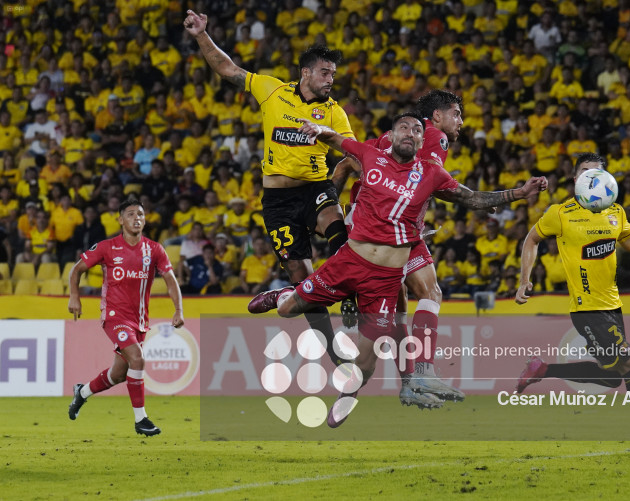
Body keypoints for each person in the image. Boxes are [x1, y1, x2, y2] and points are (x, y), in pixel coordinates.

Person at [249, 114, 546, 424]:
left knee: (365, 361)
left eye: (417, 130)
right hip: (349, 261)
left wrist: (519, 193)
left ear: (421, 141)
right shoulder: (370, 155)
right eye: (404, 127)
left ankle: (350, 394)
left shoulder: (431, 173)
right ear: (390, 135)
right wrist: (317, 128)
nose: (410, 133)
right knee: (287, 310)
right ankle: (286, 293)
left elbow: (470, 198)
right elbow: (336, 140)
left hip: (385, 279)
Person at [185, 10, 352, 367]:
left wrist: (326, 135)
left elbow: (352, 152)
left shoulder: (334, 112)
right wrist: (202, 35)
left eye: (333, 74)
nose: (330, 79)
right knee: (302, 279)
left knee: (340, 236)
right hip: (277, 199)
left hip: (316, 187)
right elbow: (228, 69)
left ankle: (351, 295)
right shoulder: (272, 90)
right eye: (325, 72)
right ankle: (334, 350)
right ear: (305, 72)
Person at [514, 153, 630, 456]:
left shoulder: (614, 211)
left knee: (613, 376)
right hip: (587, 311)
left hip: (613, 307)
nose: (593, 178)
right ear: (575, 180)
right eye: (586, 173)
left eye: (598, 173)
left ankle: (543, 369)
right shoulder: (561, 214)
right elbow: (531, 239)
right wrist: (525, 278)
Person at [332, 90, 467, 403]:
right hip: (389, 230)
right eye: (456, 114)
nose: (460, 121)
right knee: (430, 293)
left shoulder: (389, 137)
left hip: (362, 224)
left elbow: (344, 167)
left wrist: (333, 222)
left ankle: (409, 385)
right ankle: (421, 374)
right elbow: (434, 184)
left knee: (399, 312)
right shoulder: (434, 137)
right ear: (437, 116)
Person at [67, 199, 184, 436]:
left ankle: (82, 393)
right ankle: (141, 420)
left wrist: (178, 309)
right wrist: (74, 297)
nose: (136, 218)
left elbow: (171, 281)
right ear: (120, 220)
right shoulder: (107, 247)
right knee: (138, 359)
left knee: (118, 374)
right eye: (130, 214)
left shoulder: (155, 250)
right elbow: (76, 269)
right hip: (113, 315)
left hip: (139, 320)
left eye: (140, 214)